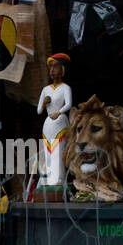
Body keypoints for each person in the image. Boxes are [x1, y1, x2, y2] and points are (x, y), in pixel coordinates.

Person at [37, 53, 72, 187]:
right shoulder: (46, 89)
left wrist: (58, 112)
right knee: (48, 152)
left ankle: (60, 179)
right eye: (50, 67)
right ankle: (50, 177)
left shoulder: (65, 88)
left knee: (59, 151)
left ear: (62, 70)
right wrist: (43, 104)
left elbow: (68, 104)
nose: (52, 70)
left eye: (55, 67)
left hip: (60, 122)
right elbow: (39, 111)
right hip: (48, 124)